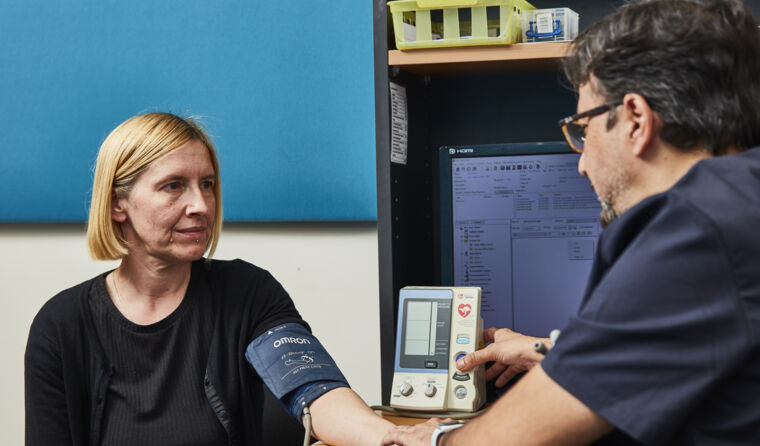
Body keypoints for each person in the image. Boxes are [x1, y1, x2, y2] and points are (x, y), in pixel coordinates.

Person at [381, 0, 760, 444]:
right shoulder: (740, 200)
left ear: (635, 120)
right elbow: (669, 347)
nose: (580, 164)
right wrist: (550, 351)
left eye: (583, 129)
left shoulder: (696, 225)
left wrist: (435, 438)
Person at [25, 112, 393, 445]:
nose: (201, 205)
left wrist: (392, 436)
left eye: (207, 184)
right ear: (117, 203)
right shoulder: (61, 325)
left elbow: (314, 388)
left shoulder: (248, 293)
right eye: (173, 186)